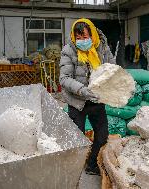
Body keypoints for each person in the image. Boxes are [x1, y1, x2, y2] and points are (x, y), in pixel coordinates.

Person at [59, 18, 116, 175]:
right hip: (77, 102)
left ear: (92, 35)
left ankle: (91, 164)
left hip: (97, 100)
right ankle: (73, 171)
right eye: (78, 38)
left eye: (85, 37)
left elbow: (112, 68)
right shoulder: (69, 50)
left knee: (103, 136)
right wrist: (82, 90)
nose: (82, 41)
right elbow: (64, 79)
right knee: (77, 140)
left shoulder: (102, 48)